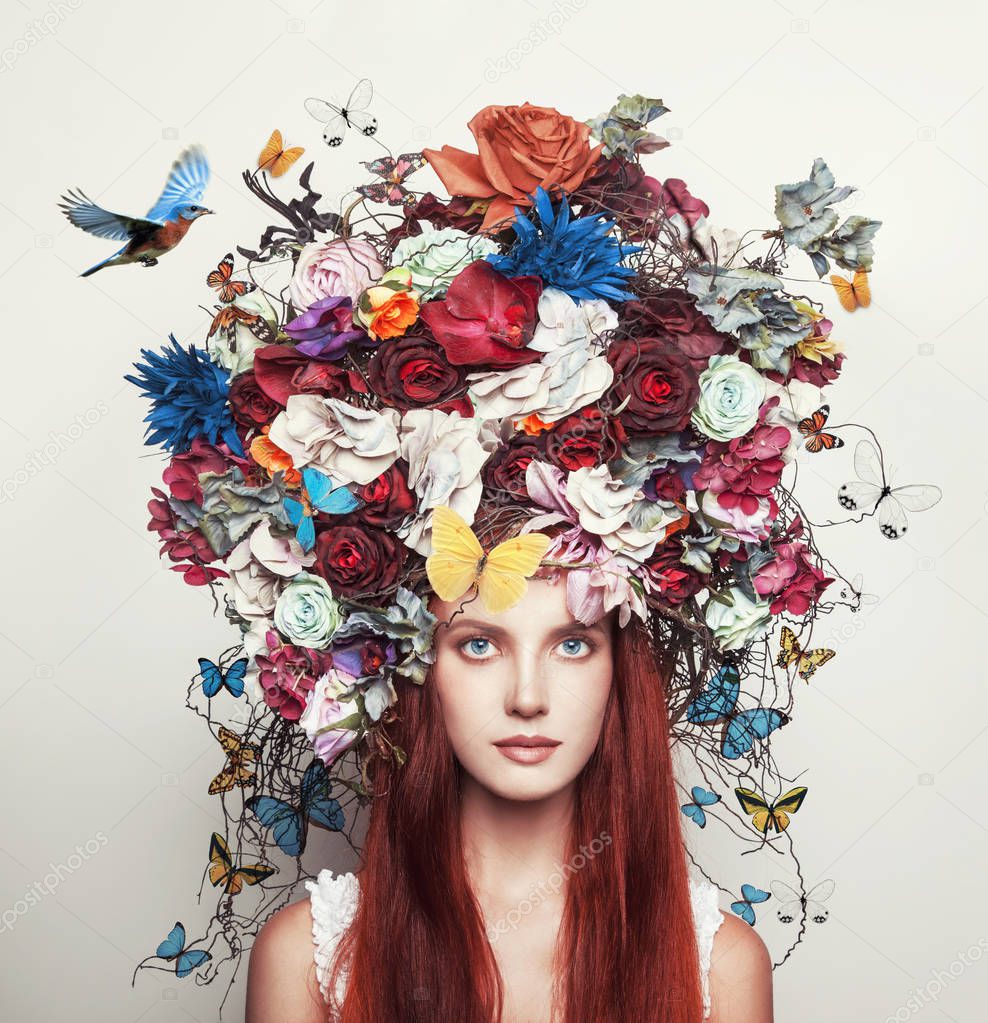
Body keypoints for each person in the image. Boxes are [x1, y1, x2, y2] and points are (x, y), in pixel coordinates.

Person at [245, 565, 773, 1022]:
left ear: (618, 671)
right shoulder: (303, 959)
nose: (528, 697)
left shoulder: (723, 967)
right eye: (479, 645)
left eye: (573, 644)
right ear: (417, 670)